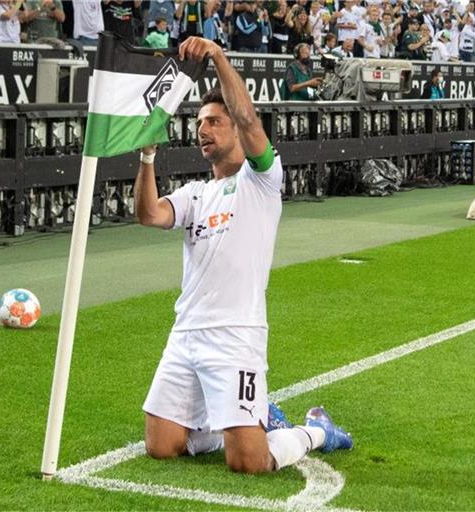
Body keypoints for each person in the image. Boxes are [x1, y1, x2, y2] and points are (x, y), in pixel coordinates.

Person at [134, 35, 353, 475]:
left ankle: (315, 430)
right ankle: (238, 414)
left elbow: (251, 119)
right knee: (161, 446)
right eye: (199, 123)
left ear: (234, 126)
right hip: (187, 333)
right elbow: (149, 214)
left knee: (249, 462)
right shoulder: (196, 194)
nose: (203, 129)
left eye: (214, 121)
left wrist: (217, 56)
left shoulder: (262, 180)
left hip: (236, 335)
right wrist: (147, 156)